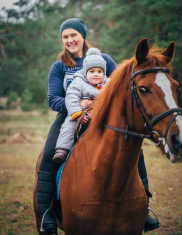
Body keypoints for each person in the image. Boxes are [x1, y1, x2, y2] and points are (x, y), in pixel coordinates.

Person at [37, 17, 159, 234]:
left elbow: (121, 87)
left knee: (135, 151)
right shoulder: (59, 67)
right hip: (70, 118)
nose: (70, 40)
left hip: (105, 119)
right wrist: (78, 104)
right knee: (48, 154)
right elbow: (53, 99)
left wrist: (99, 103)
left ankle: (144, 209)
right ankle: (46, 212)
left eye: (73, 35)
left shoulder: (104, 60)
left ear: (83, 36)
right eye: (65, 36)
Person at [53, 48, 108, 163]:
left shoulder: (108, 84)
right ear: (85, 72)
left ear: (104, 72)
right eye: (92, 71)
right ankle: (62, 149)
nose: (96, 74)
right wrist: (77, 113)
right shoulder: (79, 82)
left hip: (103, 115)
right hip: (82, 113)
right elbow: (71, 97)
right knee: (69, 125)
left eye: (99, 71)